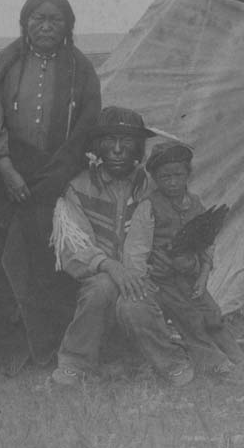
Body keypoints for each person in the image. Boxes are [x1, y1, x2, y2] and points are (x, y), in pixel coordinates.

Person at [0, 0, 101, 374]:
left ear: (68, 26)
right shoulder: (7, 61)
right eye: (37, 18)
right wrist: (6, 168)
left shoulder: (81, 69)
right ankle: (2, 350)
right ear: (25, 22)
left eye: (54, 19)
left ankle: (47, 349)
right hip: (4, 177)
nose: (45, 26)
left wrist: (55, 177)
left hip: (56, 180)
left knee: (48, 264)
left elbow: (85, 129)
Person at [49, 107, 194, 387]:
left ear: (138, 147)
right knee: (103, 286)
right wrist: (111, 266)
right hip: (97, 280)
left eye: (127, 142)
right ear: (96, 146)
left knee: (134, 302)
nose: (117, 150)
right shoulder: (78, 187)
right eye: (109, 141)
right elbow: (72, 245)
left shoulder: (153, 187)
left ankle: (170, 362)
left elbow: (172, 230)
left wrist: (159, 261)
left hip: (144, 277)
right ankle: (75, 363)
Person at [141, 142, 244, 379]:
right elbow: (138, 245)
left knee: (212, 314)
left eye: (178, 175)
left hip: (191, 276)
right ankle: (215, 363)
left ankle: (241, 362)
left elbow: (205, 246)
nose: (172, 182)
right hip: (162, 280)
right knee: (190, 319)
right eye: (164, 177)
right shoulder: (149, 205)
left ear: (188, 175)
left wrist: (203, 278)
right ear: (153, 177)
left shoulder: (195, 205)